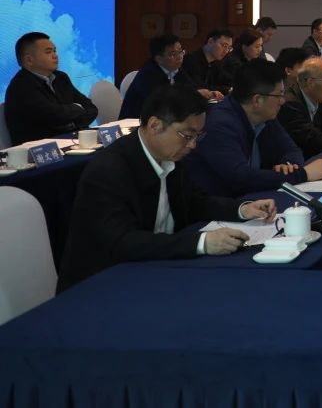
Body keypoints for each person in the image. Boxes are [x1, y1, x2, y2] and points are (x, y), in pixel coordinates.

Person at [56, 84, 277, 292]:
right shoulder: (109, 170)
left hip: (155, 268)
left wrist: (242, 209)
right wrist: (202, 242)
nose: (193, 145)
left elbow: (194, 202)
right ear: (155, 125)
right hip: (103, 284)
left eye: (198, 136)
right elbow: (122, 242)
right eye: (187, 136)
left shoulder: (170, 155)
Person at [181, 58, 322, 197]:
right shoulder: (220, 125)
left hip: (253, 199)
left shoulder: (265, 116)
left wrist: (289, 166)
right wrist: (303, 174)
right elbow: (241, 178)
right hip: (223, 206)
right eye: (279, 95)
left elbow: (291, 149)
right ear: (257, 100)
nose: (282, 101)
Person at [4, 32, 98, 145]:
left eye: (54, 51)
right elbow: (55, 116)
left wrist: (72, 123)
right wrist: (77, 108)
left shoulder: (61, 77)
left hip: (71, 142)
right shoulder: (21, 86)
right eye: (48, 52)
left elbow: (91, 108)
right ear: (29, 60)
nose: (55, 55)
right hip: (40, 150)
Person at [119, 34, 203, 119]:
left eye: (180, 52)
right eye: (173, 54)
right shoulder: (148, 74)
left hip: (162, 120)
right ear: (159, 59)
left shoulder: (176, 68)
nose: (179, 57)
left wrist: (199, 93)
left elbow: (191, 88)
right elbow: (162, 103)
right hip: (135, 122)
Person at [181, 28, 234, 96]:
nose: (226, 51)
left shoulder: (216, 63)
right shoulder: (190, 60)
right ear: (210, 42)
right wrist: (227, 89)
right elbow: (200, 87)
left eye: (229, 48)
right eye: (224, 46)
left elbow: (228, 80)